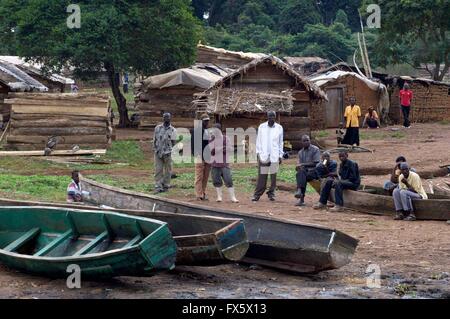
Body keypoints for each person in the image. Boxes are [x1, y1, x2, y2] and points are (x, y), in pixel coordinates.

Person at [252, 111, 284, 202]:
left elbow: (280, 142)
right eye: (270, 116)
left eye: (273, 116)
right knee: (262, 175)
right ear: (267, 117)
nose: (271, 118)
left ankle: (271, 193)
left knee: (273, 176)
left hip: (274, 155)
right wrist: (258, 153)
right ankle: (257, 194)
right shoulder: (262, 127)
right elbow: (258, 140)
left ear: (275, 117)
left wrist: (280, 155)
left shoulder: (279, 128)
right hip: (264, 155)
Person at [209, 123, 238, 203]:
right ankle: (219, 197)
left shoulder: (226, 138)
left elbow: (229, 149)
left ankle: (233, 197)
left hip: (224, 164)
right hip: (215, 164)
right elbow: (212, 151)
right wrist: (222, 148)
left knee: (228, 180)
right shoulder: (211, 139)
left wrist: (218, 149)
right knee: (216, 180)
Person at [153, 113, 176, 193]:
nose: (166, 118)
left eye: (168, 117)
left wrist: (170, 150)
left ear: (170, 118)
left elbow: (174, 142)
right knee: (158, 170)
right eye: (165, 117)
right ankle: (158, 186)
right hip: (158, 152)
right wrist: (155, 149)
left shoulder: (173, 130)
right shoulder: (158, 128)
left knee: (168, 170)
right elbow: (154, 140)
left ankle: (166, 185)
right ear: (163, 118)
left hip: (168, 153)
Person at [294, 135, 321, 206]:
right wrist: (298, 167)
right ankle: (300, 193)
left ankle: (300, 196)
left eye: (307, 140)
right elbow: (300, 165)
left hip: (315, 171)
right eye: (304, 141)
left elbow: (316, 163)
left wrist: (302, 165)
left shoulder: (315, 149)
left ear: (310, 140)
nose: (306, 142)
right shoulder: (300, 152)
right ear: (302, 142)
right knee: (301, 173)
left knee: (301, 174)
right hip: (306, 172)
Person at [191, 114, 211, 200]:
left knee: (205, 176)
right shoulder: (196, 130)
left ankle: (203, 192)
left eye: (208, 121)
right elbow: (193, 144)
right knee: (199, 176)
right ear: (201, 121)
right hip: (199, 156)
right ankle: (199, 194)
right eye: (205, 121)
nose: (207, 122)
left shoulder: (206, 131)